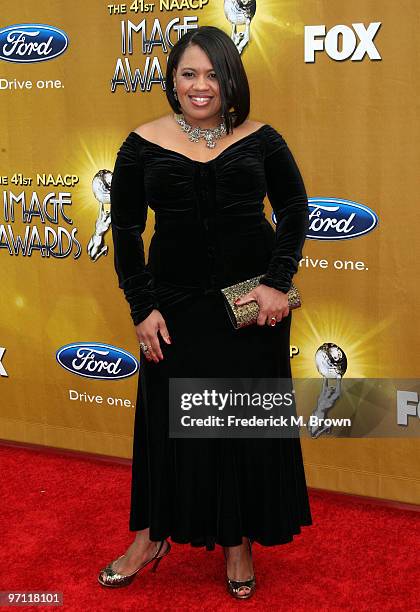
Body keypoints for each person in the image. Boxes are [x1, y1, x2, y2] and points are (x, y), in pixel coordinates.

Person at [98, 25, 312, 599]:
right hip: (175, 311)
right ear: (172, 79)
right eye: (189, 73)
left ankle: (237, 543)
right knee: (164, 423)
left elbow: (294, 207)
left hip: (252, 307)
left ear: (231, 79)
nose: (201, 85)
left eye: (213, 74)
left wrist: (277, 281)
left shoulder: (262, 138)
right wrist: (142, 308)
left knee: (238, 422)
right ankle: (150, 536)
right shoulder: (140, 143)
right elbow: (125, 232)